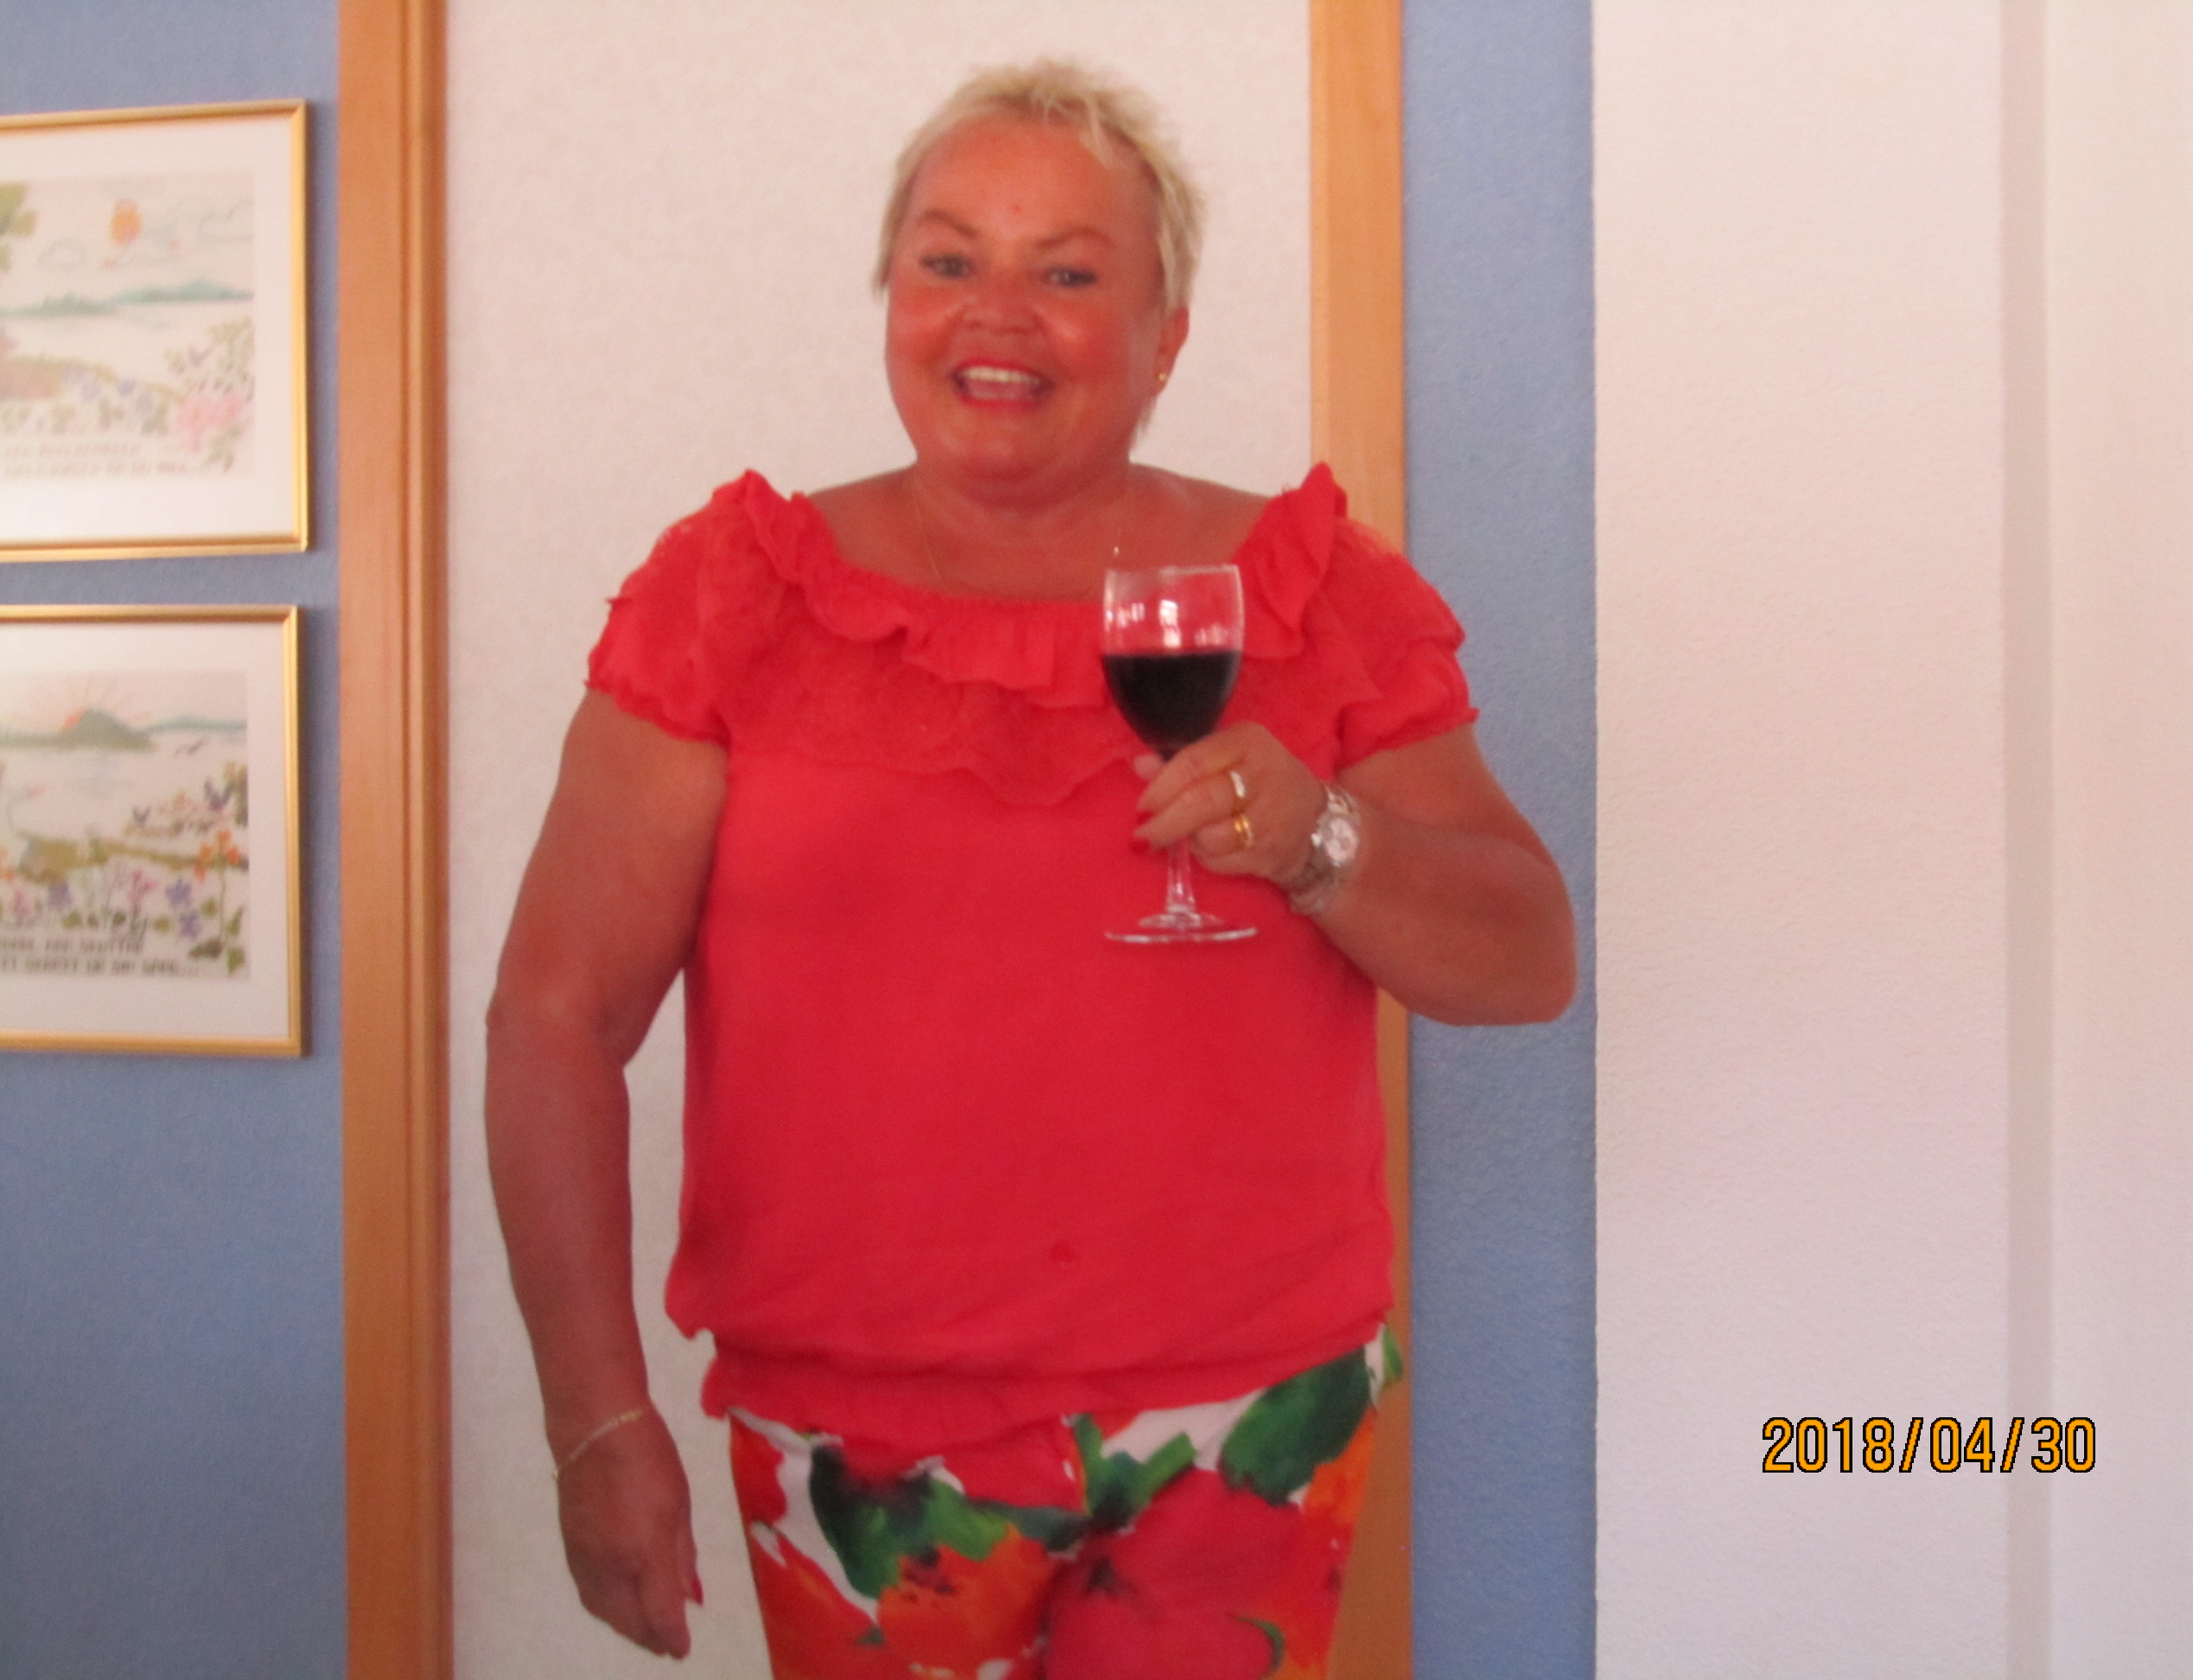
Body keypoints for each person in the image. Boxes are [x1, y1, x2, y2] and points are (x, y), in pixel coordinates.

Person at [486, 60, 1574, 1677]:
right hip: (861, 1453)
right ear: (892, 297)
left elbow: (1529, 957)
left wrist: (1319, 843)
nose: (997, 314)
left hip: (1246, 1426)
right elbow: (554, 1020)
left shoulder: (1309, 588)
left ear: (1166, 336)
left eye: (1068, 273)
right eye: (948, 260)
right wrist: (594, 1422)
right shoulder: (735, 592)